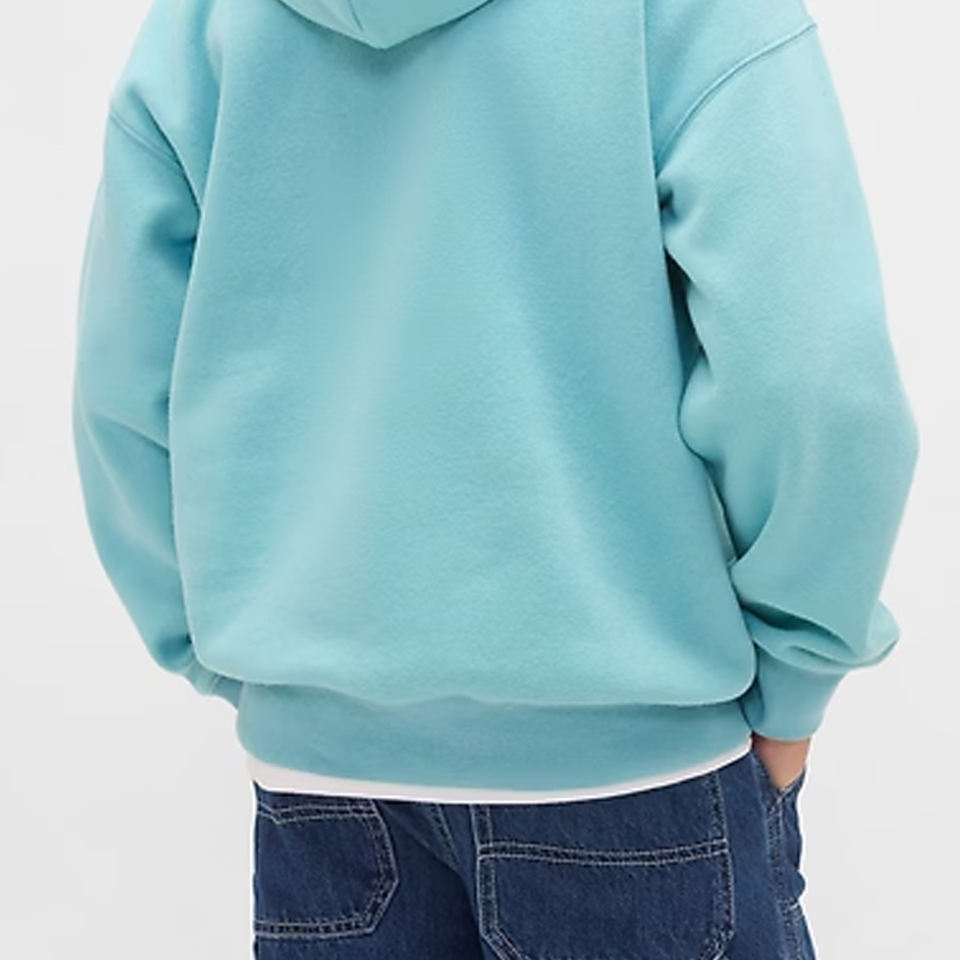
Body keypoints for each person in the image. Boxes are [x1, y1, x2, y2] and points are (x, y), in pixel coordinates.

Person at [72, 0, 919, 956]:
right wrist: (798, 672)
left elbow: (123, 390)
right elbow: (816, 383)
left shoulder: (204, 25)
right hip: (639, 771)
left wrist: (247, 660)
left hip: (321, 788)